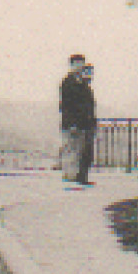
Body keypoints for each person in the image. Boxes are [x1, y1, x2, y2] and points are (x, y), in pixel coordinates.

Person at [58, 57, 98, 186]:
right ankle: (70, 177)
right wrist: (72, 123)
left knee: (80, 151)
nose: (80, 66)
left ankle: (78, 177)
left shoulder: (82, 83)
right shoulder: (68, 82)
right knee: (72, 150)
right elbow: (67, 106)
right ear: (72, 65)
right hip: (73, 124)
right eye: (77, 63)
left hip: (83, 124)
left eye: (81, 63)